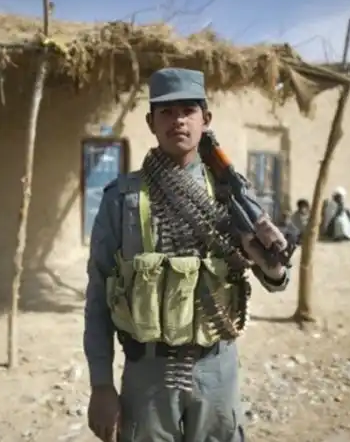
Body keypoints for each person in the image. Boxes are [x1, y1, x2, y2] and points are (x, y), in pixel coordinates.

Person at [83, 67, 292, 442]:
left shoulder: (232, 194)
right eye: (166, 111)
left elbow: (276, 280)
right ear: (151, 122)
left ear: (205, 119)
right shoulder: (122, 198)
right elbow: (98, 295)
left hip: (215, 368)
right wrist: (101, 384)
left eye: (187, 110)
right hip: (148, 372)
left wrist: (272, 267)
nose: (177, 120)